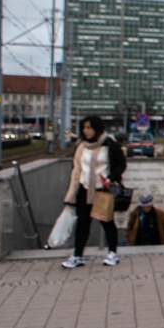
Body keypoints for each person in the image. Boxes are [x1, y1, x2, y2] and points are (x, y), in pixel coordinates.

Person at [61, 115, 126, 269]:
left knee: (106, 221)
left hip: (103, 190)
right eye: (84, 128)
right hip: (85, 189)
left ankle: (112, 253)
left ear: (97, 128)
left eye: (89, 127)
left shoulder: (110, 144)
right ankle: (78, 255)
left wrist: (112, 177)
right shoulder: (81, 146)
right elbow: (76, 169)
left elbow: (121, 165)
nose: (86, 131)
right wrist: (71, 192)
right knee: (82, 223)